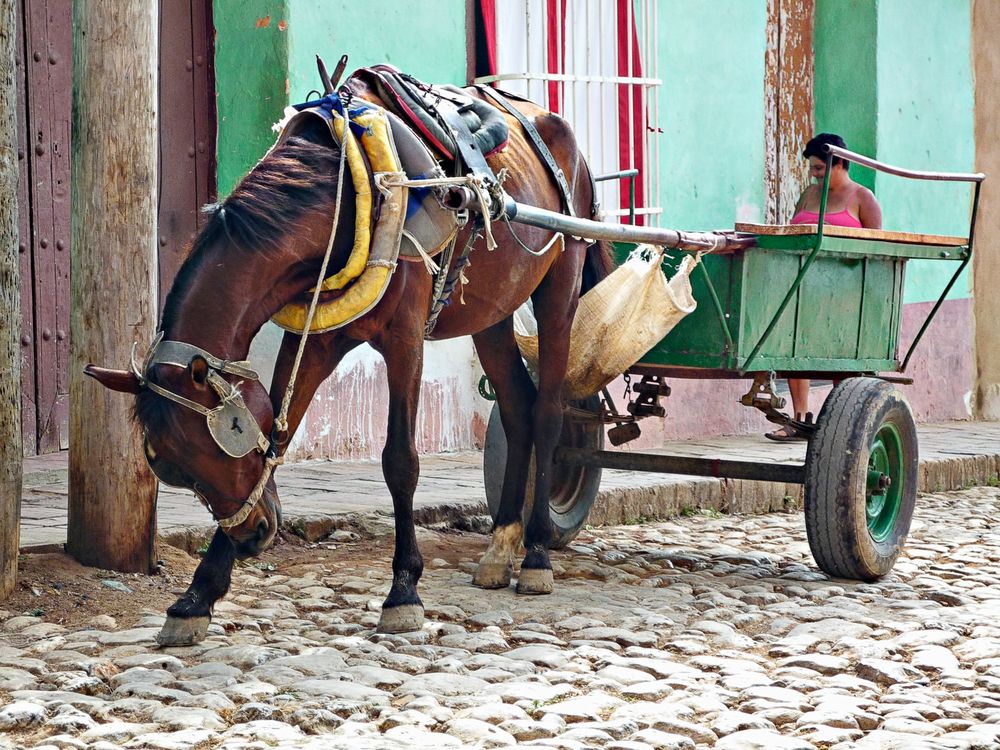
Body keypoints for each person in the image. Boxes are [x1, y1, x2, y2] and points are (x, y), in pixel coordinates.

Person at [765, 133, 882, 441]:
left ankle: (841, 423)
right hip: (805, 284)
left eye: (820, 169)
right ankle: (800, 417)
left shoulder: (862, 197)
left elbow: (877, 247)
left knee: (839, 353)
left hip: (845, 290)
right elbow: (793, 230)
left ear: (840, 163)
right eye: (814, 169)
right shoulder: (810, 194)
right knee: (797, 349)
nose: (815, 175)